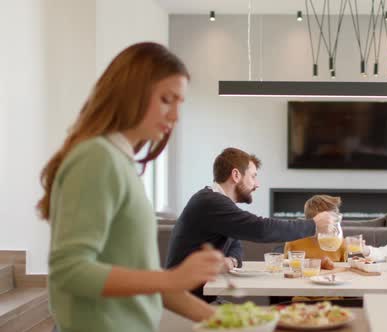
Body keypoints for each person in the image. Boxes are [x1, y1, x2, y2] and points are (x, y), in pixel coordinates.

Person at [37, 42, 224, 332]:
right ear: (130, 92)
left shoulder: (119, 162)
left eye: (179, 103)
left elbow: (146, 278)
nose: (175, 116)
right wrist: (173, 278)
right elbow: (69, 271)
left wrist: (224, 320)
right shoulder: (97, 158)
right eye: (166, 99)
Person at [165, 147, 335, 302]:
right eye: (253, 176)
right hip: (183, 301)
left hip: (200, 296)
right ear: (236, 175)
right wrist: (313, 225)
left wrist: (231, 260)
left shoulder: (217, 203)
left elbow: (236, 244)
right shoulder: (210, 202)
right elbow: (261, 229)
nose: (257, 184)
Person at [284, 195, 347, 263]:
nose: (329, 225)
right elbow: (286, 266)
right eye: (325, 221)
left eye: (333, 220)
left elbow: (345, 268)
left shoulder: (340, 244)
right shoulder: (293, 242)